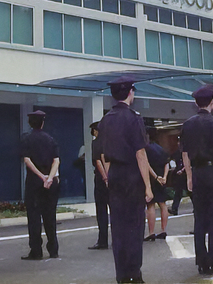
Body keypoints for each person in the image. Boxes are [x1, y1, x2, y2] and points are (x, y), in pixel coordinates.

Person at [97, 76, 153, 284]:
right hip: (131, 175)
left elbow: (104, 154)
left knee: (118, 227)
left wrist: (108, 178)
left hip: (115, 175)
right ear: (130, 93)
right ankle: (134, 273)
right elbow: (140, 154)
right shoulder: (134, 118)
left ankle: (121, 274)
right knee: (135, 226)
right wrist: (147, 185)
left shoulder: (106, 119)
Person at [181, 84, 213, 275]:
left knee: (199, 219)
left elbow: (185, 153)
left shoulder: (187, 124)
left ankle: (201, 262)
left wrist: (189, 176)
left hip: (197, 173)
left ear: (196, 103)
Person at [20, 110, 60, 260]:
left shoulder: (26, 139)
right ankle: (53, 249)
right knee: (50, 216)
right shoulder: (50, 139)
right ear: (43, 123)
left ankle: (36, 251)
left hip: (34, 182)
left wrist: (40, 176)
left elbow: (27, 160)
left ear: (30, 123)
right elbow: (56, 160)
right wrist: (49, 178)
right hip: (51, 183)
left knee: (34, 217)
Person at [144, 127, 169, 241]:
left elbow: (146, 165)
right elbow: (166, 164)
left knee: (150, 205)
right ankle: (163, 230)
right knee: (163, 204)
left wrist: (155, 177)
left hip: (151, 179)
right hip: (162, 179)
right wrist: (164, 177)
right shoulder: (161, 149)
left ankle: (151, 232)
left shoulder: (146, 149)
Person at [89, 121, 109, 250]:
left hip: (102, 180)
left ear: (96, 131)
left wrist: (105, 177)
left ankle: (103, 241)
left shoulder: (96, 143)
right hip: (114, 178)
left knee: (101, 210)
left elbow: (98, 161)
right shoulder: (110, 141)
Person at [168, 138, 187, 216]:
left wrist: (182, 170)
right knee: (178, 192)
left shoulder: (187, 151)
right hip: (178, 175)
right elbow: (172, 162)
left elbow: (189, 162)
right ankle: (174, 209)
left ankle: (197, 208)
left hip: (186, 174)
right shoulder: (176, 153)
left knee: (191, 192)